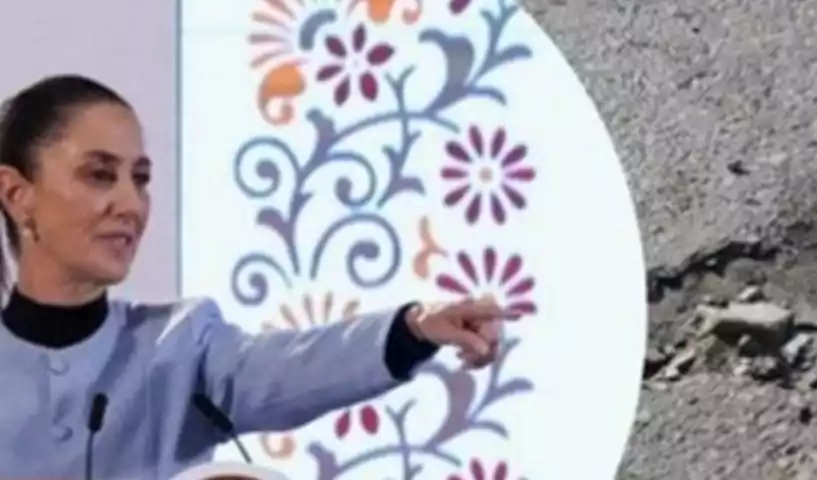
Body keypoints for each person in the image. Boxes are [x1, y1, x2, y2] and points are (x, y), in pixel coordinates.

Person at [0, 73, 515, 479]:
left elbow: (294, 367)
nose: (131, 204)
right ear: (16, 194)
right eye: (99, 174)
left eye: (141, 179)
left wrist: (414, 329)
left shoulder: (180, 346)